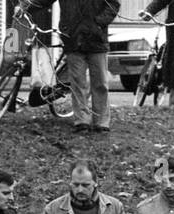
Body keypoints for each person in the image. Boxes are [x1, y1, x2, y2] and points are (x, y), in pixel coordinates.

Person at [29, 0, 119, 131]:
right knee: (77, 82)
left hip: (97, 39)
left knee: (100, 83)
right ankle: (82, 120)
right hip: (73, 38)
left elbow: (113, 4)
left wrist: (99, 23)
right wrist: (27, 6)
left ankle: (101, 122)